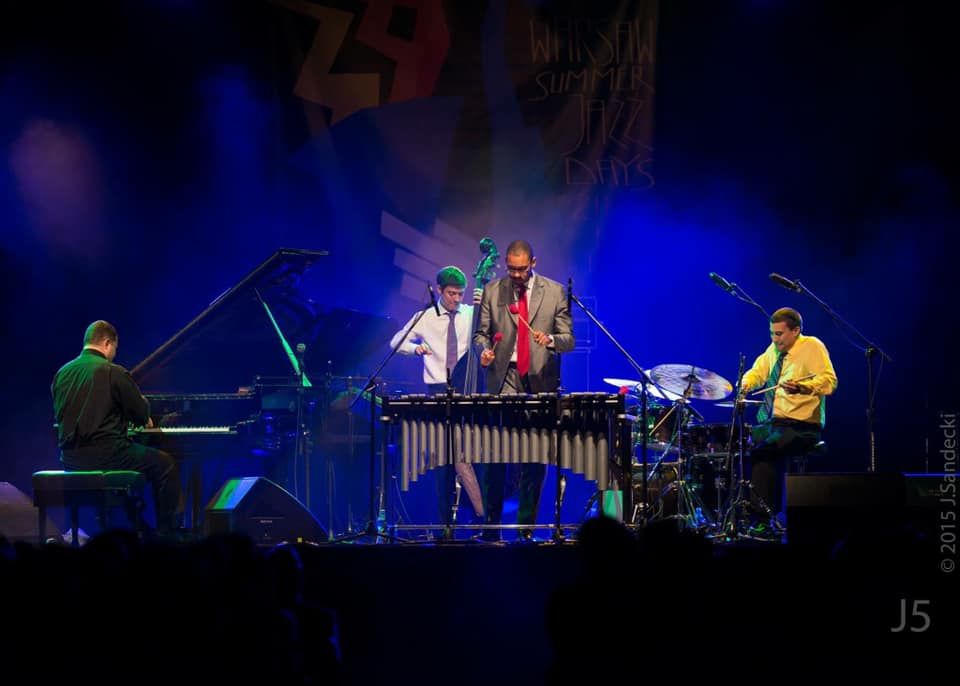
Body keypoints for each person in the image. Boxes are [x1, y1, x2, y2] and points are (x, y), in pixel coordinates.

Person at [474, 240, 575, 541]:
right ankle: (491, 530)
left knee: (534, 461)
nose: (516, 275)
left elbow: (568, 339)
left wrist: (551, 340)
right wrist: (483, 351)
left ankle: (525, 531)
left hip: (539, 382)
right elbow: (480, 334)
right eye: (511, 269)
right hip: (503, 379)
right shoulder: (493, 291)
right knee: (495, 458)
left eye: (521, 269)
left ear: (533, 262)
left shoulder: (555, 292)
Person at [51, 320, 183, 537]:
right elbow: (140, 415)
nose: (114, 355)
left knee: (138, 460)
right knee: (165, 464)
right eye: (115, 349)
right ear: (107, 343)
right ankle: (166, 535)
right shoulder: (113, 372)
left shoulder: (61, 374)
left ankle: (138, 527)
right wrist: (143, 410)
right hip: (108, 456)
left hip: (71, 460)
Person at [389, 266, 483, 531]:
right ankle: (448, 522)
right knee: (444, 461)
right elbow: (395, 342)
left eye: (461, 294)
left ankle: (479, 516)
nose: (457, 299)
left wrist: (483, 301)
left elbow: (487, 334)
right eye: (452, 293)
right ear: (439, 290)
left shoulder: (470, 313)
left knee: (466, 456)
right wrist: (415, 348)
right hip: (438, 392)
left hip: (466, 389)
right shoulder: (425, 316)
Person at [739, 307, 837, 534]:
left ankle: (763, 518)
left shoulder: (812, 346)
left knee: (764, 449)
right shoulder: (774, 349)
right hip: (775, 424)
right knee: (741, 443)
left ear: (796, 331)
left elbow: (829, 381)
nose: (775, 339)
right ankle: (746, 513)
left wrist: (803, 387)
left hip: (802, 426)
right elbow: (758, 372)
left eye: (779, 334)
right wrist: (745, 385)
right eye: (772, 333)